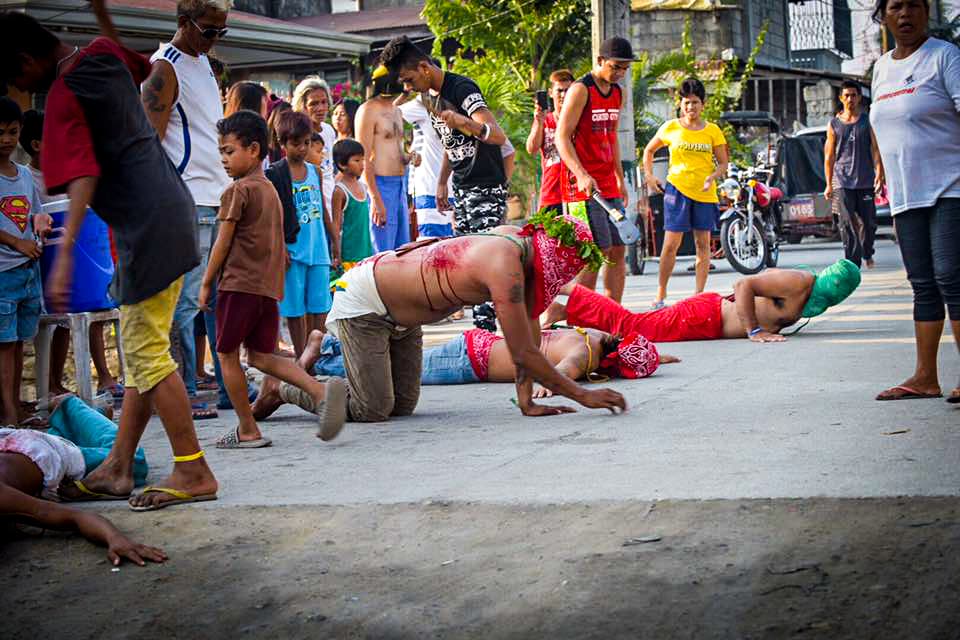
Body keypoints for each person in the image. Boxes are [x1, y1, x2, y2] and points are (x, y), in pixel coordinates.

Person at [3, 3, 219, 511]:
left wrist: (61, 257)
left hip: (145, 226)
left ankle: (194, 471)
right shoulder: (97, 54)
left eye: (13, 75)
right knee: (143, 347)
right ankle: (119, 466)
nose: (18, 87)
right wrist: (102, 16)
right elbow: (133, 63)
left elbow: (83, 174)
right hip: (172, 209)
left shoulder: (62, 93)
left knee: (145, 353)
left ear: (23, 58)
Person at [322, 210, 626, 421]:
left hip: (404, 317)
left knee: (401, 407)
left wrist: (526, 400)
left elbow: (529, 338)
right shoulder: (505, 266)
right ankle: (291, 386)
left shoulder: (522, 244)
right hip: (366, 300)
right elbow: (521, 352)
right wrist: (584, 397)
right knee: (372, 410)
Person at [200, 111, 347, 447]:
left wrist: (207, 281)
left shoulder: (237, 191)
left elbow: (222, 242)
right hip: (267, 289)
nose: (223, 159)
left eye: (229, 151)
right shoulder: (269, 190)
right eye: (221, 152)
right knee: (262, 356)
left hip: (238, 286)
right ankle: (320, 392)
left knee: (226, 356)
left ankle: (247, 429)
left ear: (254, 150)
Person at [253, 326, 674, 418]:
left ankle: (320, 350)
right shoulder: (584, 352)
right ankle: (320, 350)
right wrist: (552, 388)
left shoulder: (586, 334)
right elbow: (562, 366)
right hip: (469, 362)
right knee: (395, 379)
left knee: (399, 376)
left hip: (478, 347)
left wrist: (665, 357)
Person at [141, 0, 232, 419]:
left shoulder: (202, 64)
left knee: (207, 299)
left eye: (221, 33)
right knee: (182, 302)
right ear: (183, 22)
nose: (214, 40)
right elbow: (149, 143)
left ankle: (209, 383)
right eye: (208, 30)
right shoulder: (165, 67)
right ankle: (180, 392)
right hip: (186, 199)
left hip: (216, 197)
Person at [869, 0, 960, 403]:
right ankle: (926, 377)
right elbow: (879, 123)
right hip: (906, 194)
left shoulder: (945, 57)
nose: (905, 15)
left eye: (913, 5)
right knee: (923, 286)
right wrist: (879, 167)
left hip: (950, 186)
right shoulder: (881, 68)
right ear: (884, 15)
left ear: (927, 11)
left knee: (951, 279)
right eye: (895, 6)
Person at [19, 109, 122, 400]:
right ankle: (51, 383)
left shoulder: (64, 173)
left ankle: (101, 376)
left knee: (85, 315)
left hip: (80, 257)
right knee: (55, 324)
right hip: (45, 261)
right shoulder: (30, 179)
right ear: (38, 144)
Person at [549, 259, 862, 343]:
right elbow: (744, 284)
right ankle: (568, 290)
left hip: (707, 323)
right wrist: (755, 331)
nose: (837, 291)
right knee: (632, 325)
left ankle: (564, 310)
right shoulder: (801, 281)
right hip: (706, 314)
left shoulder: (812, 297)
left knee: (631, 327)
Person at [379, 36, 509, 236]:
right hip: (460, 187)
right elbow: (449, 143)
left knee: (485, 257)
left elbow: (498, 136)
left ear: (424, 67)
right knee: (463, 256)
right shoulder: (427, 97)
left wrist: (464, 121)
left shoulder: (462, 88)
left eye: (409, 80)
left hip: (485, 188)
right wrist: (442, 183)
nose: (409, 87)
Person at [1, 414, 165, 566]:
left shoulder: (6, 498)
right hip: (13, 444)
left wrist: (114, 537)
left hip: (38, 448)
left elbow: (77, 517)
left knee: (133, 460)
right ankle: (63, 421)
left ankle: (67, 406)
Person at [554, 37, 634, 308]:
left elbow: (612, 138)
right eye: (616, 66)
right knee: (596, 252)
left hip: (608, 183)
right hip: (582, 186)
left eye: (625, 68)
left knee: (619, 248)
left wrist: (621, 180)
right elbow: (561, 138)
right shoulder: (581, 89)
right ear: (600, 61)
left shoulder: (617, 92)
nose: (620, 73)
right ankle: (576, 313)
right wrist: (581, 173)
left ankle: (614, 315)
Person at [643, 78, 728, 309]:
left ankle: (698, 296)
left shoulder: (713, 131)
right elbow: (649, 150)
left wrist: (712, 176)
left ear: (703, 104)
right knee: (671, 245)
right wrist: (649, 176)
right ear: (680, 104)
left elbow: (722, 163)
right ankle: (660, 295)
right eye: (687, 102)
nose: (691, 107)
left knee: (703, 245)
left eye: (695, 102)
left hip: (704, 193)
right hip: (677, 191)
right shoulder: (670, 127)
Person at [265, 110, 339, 356]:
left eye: (307, 142)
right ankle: (301, 355)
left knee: (320, 305)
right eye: (296, 143)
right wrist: (280, 247)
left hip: (318, 248)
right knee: (295, 308)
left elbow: (324, 211)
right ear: (282, 143)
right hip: (293, 251)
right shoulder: (275, 174)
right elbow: (272, 218)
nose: (302, 148)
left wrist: (334, 240)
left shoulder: (315, 172)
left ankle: (314, 352)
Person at [0, 98, 51, 427]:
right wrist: (16, 241)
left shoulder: (23, 176)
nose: (6, 139)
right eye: (0, 132)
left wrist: (39, 223)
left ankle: (16, 403)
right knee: (4, 346)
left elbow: (35, 212)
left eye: (12, 132)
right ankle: (8, 412)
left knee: (19, 342)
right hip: (3, 273)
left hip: (27, 272)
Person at [824, 80, 883, 269]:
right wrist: (828, 184)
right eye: (846, 95)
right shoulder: (833, 124)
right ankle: (852, 263)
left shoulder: (867, 121)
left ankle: (867, 251)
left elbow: (875, 149)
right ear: (841, 98)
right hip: (842, 181)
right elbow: (829, 156)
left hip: (865, 180)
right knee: (847, 224)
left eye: (853, 95)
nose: (850, 98)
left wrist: (879, 174)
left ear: (859, 98)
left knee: (869, 223)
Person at [356, 71, 413, 252]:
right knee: (382, 253)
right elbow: (362, 156)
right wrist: (375, 197)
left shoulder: (396, 110)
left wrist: (409, 157)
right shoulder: (368, 109)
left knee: (401, 251)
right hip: (380, 185)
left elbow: (395, 148)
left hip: (399, 186)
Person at [398, 91, 456, 238]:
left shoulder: (422, 104)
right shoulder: (451, 104)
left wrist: (404, 93)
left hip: (430, 187)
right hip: (445, 187)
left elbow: (385, 114)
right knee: (447, 242)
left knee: (431, 245)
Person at [526, 69, 574, 213]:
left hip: (577, 195)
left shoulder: (580, 120)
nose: (563, 95)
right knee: (548, 235)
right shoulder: (545, 120)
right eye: (559, 90)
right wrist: (539, 122)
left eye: (568, 90)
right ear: (551, 92)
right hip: (551, 195)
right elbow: (531, 148)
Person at [292, 76, 336, 228]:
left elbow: (331, 168)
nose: (320, 108)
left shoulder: (329, 130)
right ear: (302, 106)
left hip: (333, 201)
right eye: (314, 103)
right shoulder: (298, 136)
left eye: (324, 102)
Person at [331, 138, 374, 271]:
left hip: (366, 251)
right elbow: (336, 225)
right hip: (348, 255)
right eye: (356, 160)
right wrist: (336, 254)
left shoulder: (363, 187)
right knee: (346, 288)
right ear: (342, 164)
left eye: (363, 160)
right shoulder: (340, 191)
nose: (362, 164)